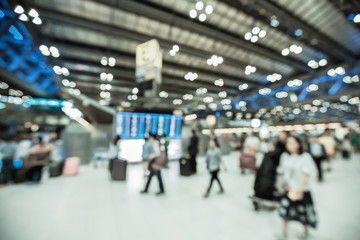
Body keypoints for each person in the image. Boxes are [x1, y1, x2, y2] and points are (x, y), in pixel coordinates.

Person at [277, 136, 318, 239]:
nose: (290, 145)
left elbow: (307, 173)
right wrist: (285, 184)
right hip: (288, 189)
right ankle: (284, 233)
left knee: (304, 212)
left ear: (299, 144)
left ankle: (305, 231)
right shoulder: (284, 156)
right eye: (288, 143)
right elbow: (282, 172)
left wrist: (300, 188)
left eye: (293, 143)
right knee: (285, 212)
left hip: (302, 190)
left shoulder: (305, 156)